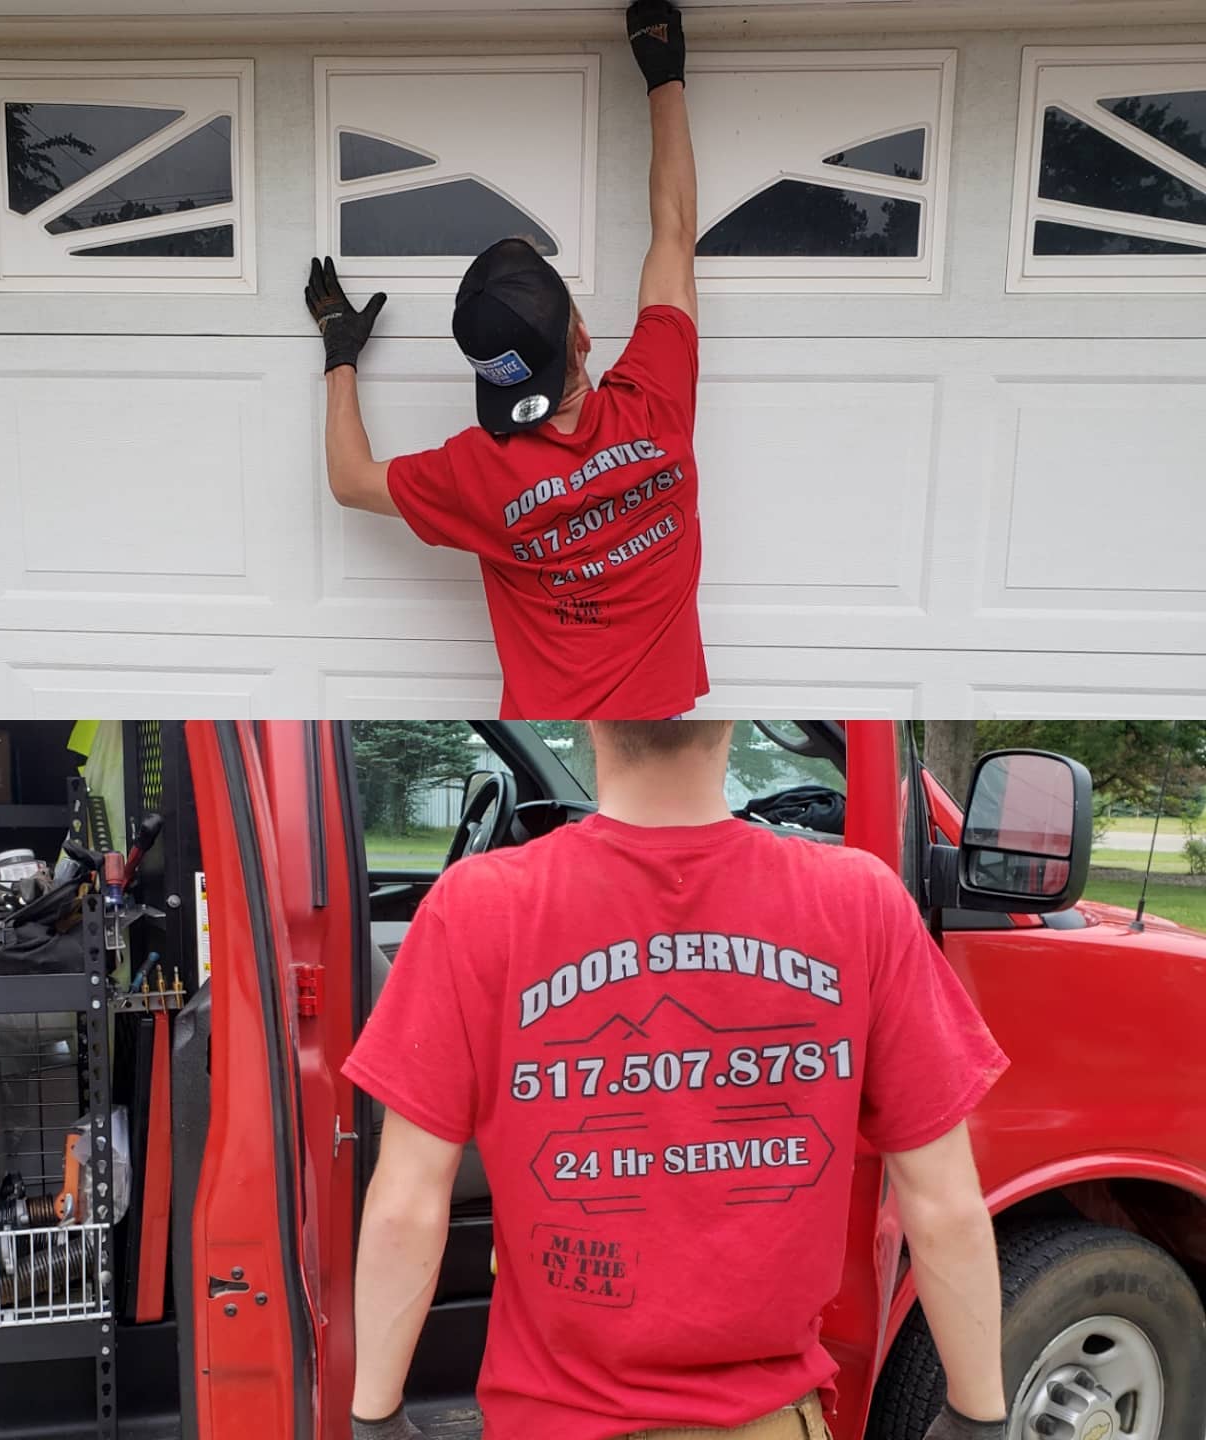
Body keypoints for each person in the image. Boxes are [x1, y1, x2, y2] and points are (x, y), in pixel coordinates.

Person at [344, 720, 1012, 1440]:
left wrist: (375, 1416)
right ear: (731, 717)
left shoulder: (478, 906)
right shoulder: (860, 902)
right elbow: (942, 1201)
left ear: (588, 718)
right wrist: (978, 1416)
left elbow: (408, 1200)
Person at [305, 0, 708, 721]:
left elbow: (348, 480)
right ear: (581, 333)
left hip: (551, 738)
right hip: (658, 736)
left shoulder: (478, 472)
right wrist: (662, 70)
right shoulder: (658, 393)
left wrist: (341, 353)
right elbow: (674, 229)